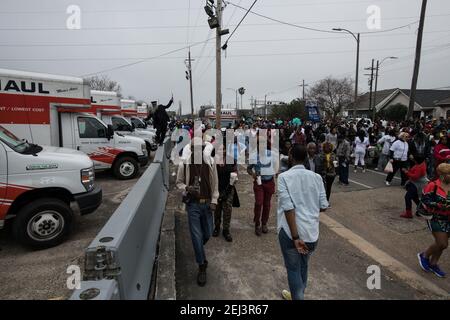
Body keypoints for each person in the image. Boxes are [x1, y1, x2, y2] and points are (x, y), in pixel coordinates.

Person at [277, 144, 328, 300]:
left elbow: (288, 208)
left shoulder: (283, 177)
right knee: (304, 265)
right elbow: (323, 206)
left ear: (290, 157)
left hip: (290, 233)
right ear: (306, 157)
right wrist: (308, 207)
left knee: (293, 269)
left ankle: (297, 296)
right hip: (311, 234)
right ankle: (297, 295)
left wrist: (295, 237)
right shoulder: (317, 178)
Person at [176, 137, 219, 286]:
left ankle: (198, 249)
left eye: (200, 147)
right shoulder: (185, 164)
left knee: (207, 234)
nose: (197, 150)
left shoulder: (210, 163)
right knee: (196, 236)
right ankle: (201, 266)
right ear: (191, 149)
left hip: (207, 205)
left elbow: (215, 185)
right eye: (194, 148)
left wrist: (214, 201)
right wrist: (187, 188)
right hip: (193, 205)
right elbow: (179, 183)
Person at [418, 163, 450, 278]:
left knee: (440, 245)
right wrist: (439, 205)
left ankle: (433, 263)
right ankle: (424, 255)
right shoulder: (433, 185)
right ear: (441, 175)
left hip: (448, 218)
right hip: (436, 217)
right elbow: (424, 201)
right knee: (443, 243)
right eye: (448, 174)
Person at [247, 135, 277, 236]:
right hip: (259, 182)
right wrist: (253, 174)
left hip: (269, 182)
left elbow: (277, 166)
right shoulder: (254, 156)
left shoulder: (271, 154)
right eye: (260, 144)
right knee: (259, 203)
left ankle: (264, 223)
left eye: (264, 144)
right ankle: (257, 223)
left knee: (267, 204)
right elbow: (249, 168)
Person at [213, 145, 239, 242]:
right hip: (216, 189)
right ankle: (216, 227)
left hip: (229, 188)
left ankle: (226, 230)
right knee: (217, 209)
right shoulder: (213, 161)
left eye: (223, 149)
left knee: (227, 209)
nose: (221, 151)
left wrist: (228, 189)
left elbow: (235, 174)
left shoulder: (231, 160)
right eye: (219, 149)